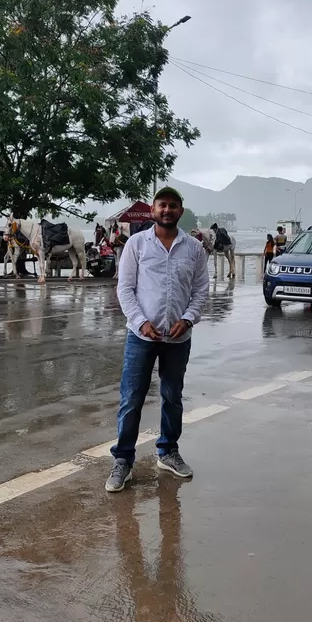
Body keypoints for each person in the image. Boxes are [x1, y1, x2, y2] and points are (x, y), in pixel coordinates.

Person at [106, 187, 210, 492]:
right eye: (162, 205)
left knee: (172, 397)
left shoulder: (194, 249)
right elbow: (125, 289)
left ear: (181, 211)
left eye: (173, 206)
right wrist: (141, 322)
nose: (167, 210)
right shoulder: (137, 244)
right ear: (153, 210)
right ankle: (123, 460)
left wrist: (188, 318)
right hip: (141, 336)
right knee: (131, 399)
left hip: (179, 338)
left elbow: (201, 291)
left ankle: (168, 452)